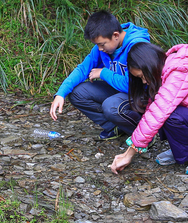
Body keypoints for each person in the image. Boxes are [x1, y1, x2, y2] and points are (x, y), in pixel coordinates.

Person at [109, 41, 188, 176]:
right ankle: (183, 147)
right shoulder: (167, 73)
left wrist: (129, 155)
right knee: (160, 111)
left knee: (169, 114)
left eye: (142, 76)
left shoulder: (179, 72)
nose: (143, 82)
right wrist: (127, 151)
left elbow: (159, 112)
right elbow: (151, 111)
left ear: (149, 65)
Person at [49, 11, 151, 140]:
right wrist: (61, 93)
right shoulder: (102, 47)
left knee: (111, 106)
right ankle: (115, 127)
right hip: (117, 88)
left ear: (115, 35)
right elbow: (82, 69)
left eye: (102, 44)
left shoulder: (136, 46)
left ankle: (143, 135)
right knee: (76, 93)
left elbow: (131, 85)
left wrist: (103, 73)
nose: (100, 49)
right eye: (97, 45)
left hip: (137, 92)